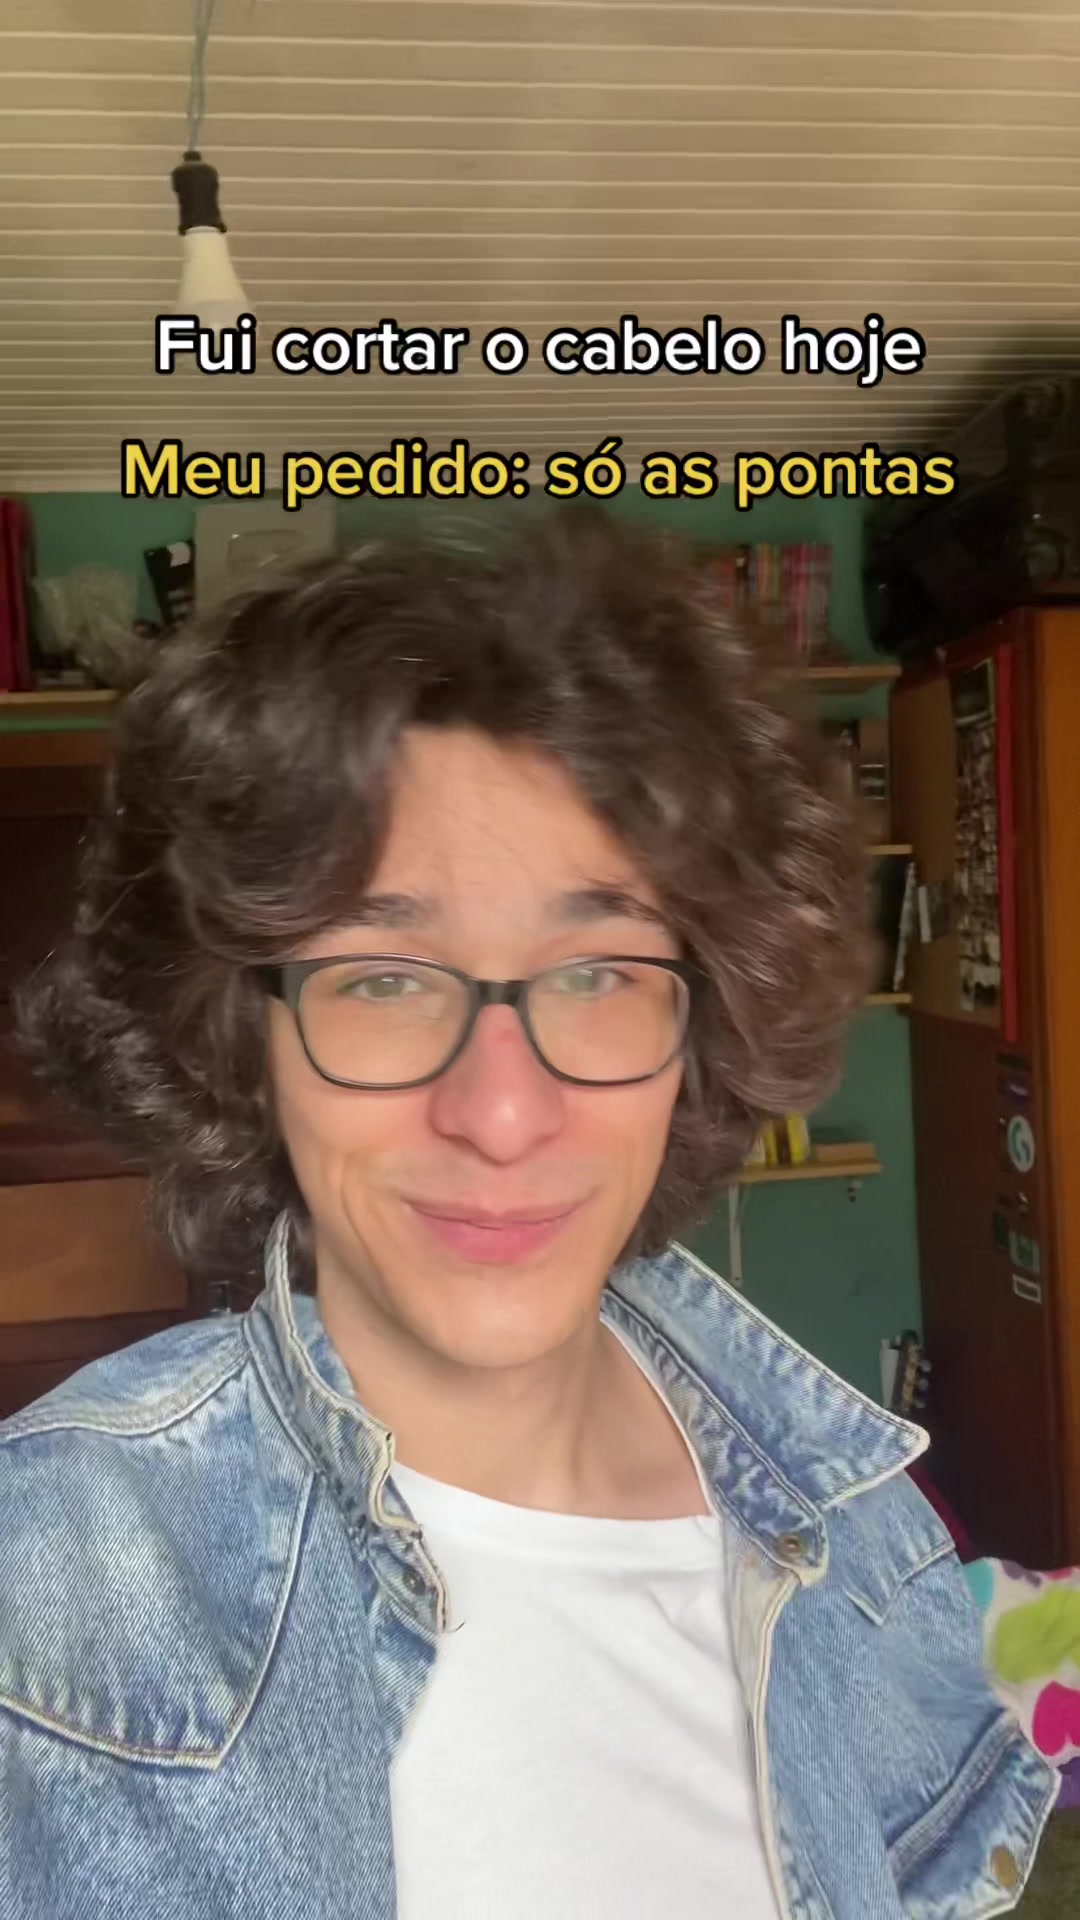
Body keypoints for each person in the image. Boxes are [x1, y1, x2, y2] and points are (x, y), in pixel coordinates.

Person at [0, 510, 1056, 1918]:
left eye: (598, 971)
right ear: (245, 1039)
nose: (501, 1113)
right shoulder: (49, 1587)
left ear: (701, 1024)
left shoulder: (858, 1533)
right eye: (382, 979)